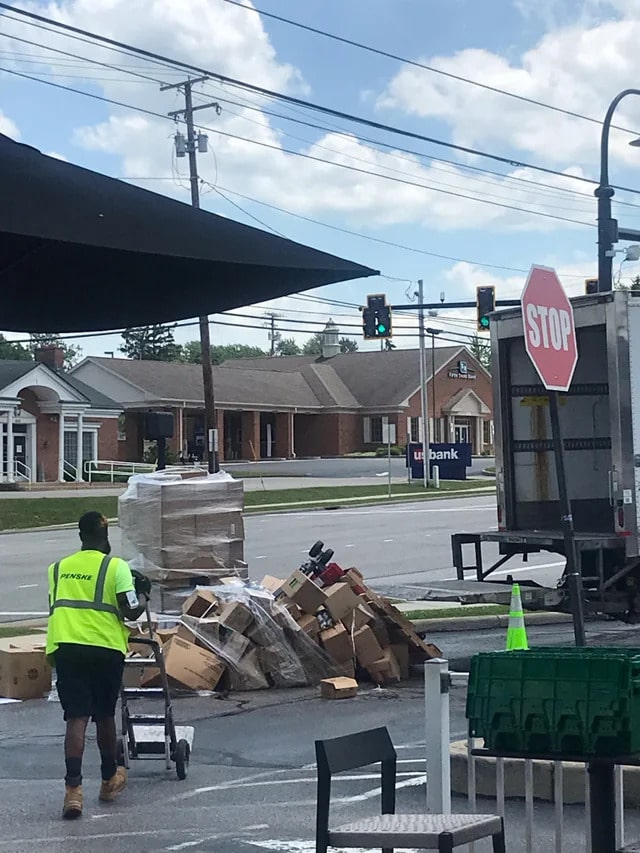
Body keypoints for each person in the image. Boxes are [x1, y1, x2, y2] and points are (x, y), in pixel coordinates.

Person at [46, 511, 151, 820]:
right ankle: (108, 780)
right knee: (104, 716)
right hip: (105, 649)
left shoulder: (57, 569)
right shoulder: (116, 567)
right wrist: (144, 592)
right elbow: (131, 611)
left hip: (67, 648)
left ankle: (73, 791)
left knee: (75, 718)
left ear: (81, 536)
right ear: (106, 538)